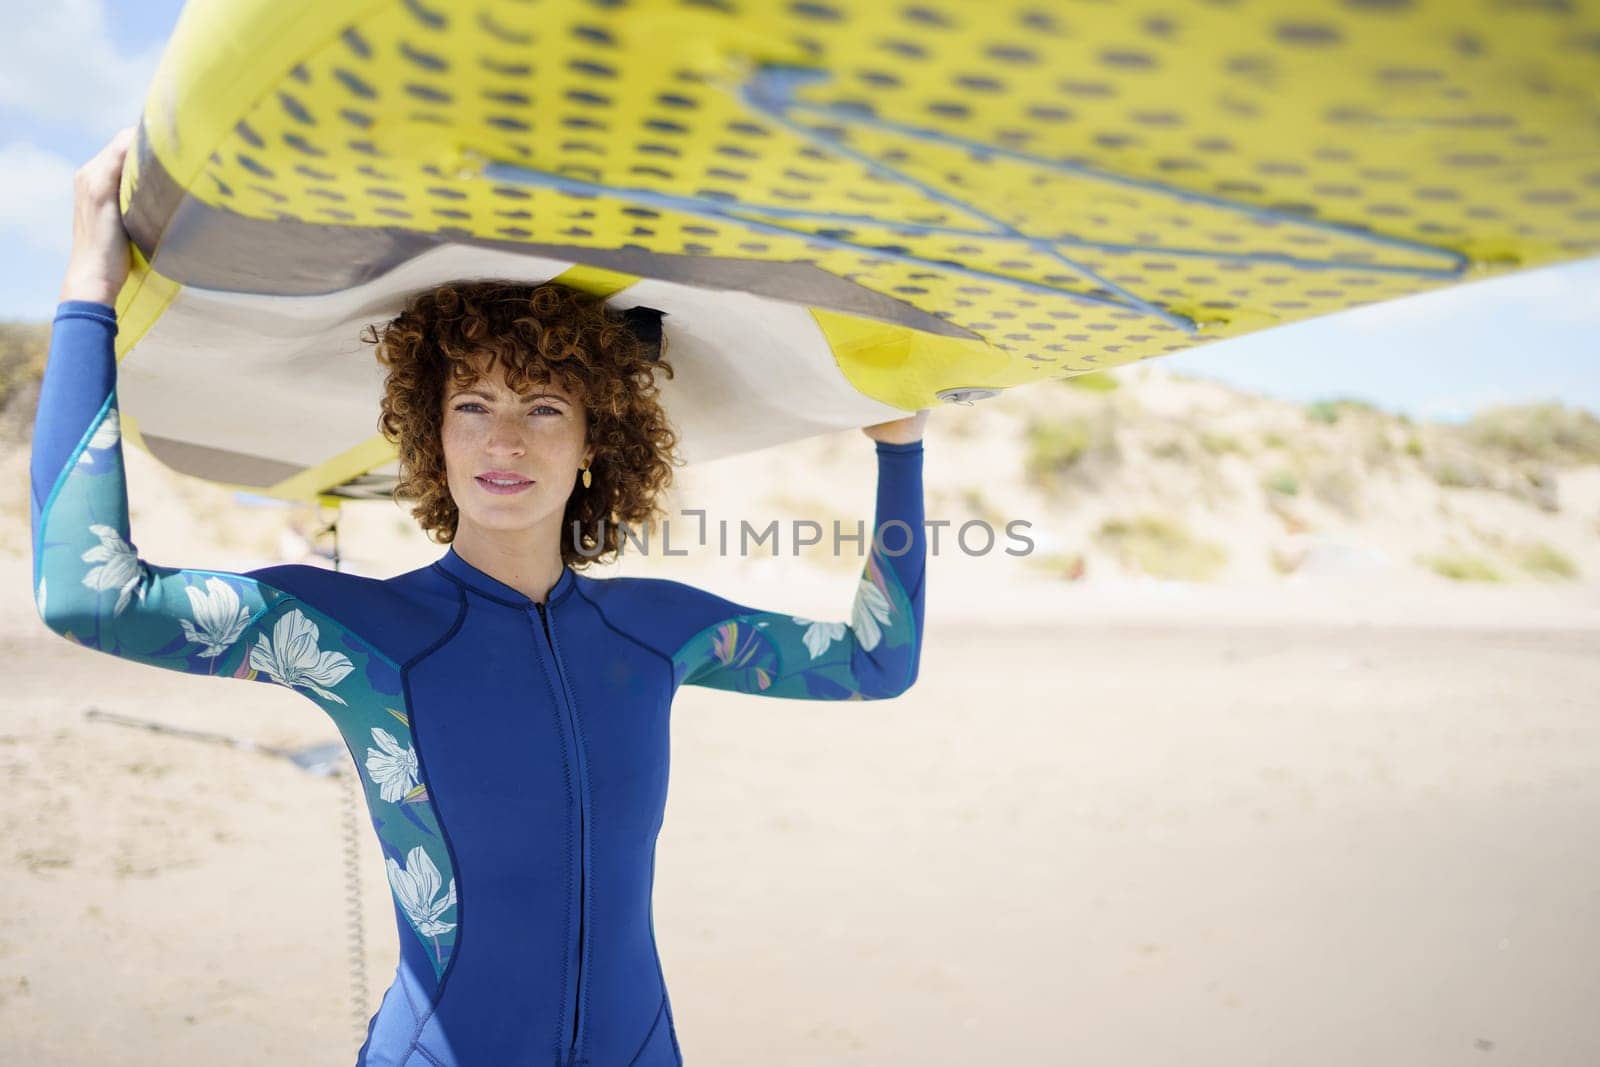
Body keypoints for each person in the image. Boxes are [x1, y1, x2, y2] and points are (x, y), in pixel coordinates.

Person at [31, 128, 928, 1067]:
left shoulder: (657, 630)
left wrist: (899, 452)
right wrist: (88, 293)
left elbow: (878, 662)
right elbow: (91, 595)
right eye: (474, 405)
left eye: (545, 408)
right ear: (434, 436)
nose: (507, 440)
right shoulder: (359, 636)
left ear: (591, 444)